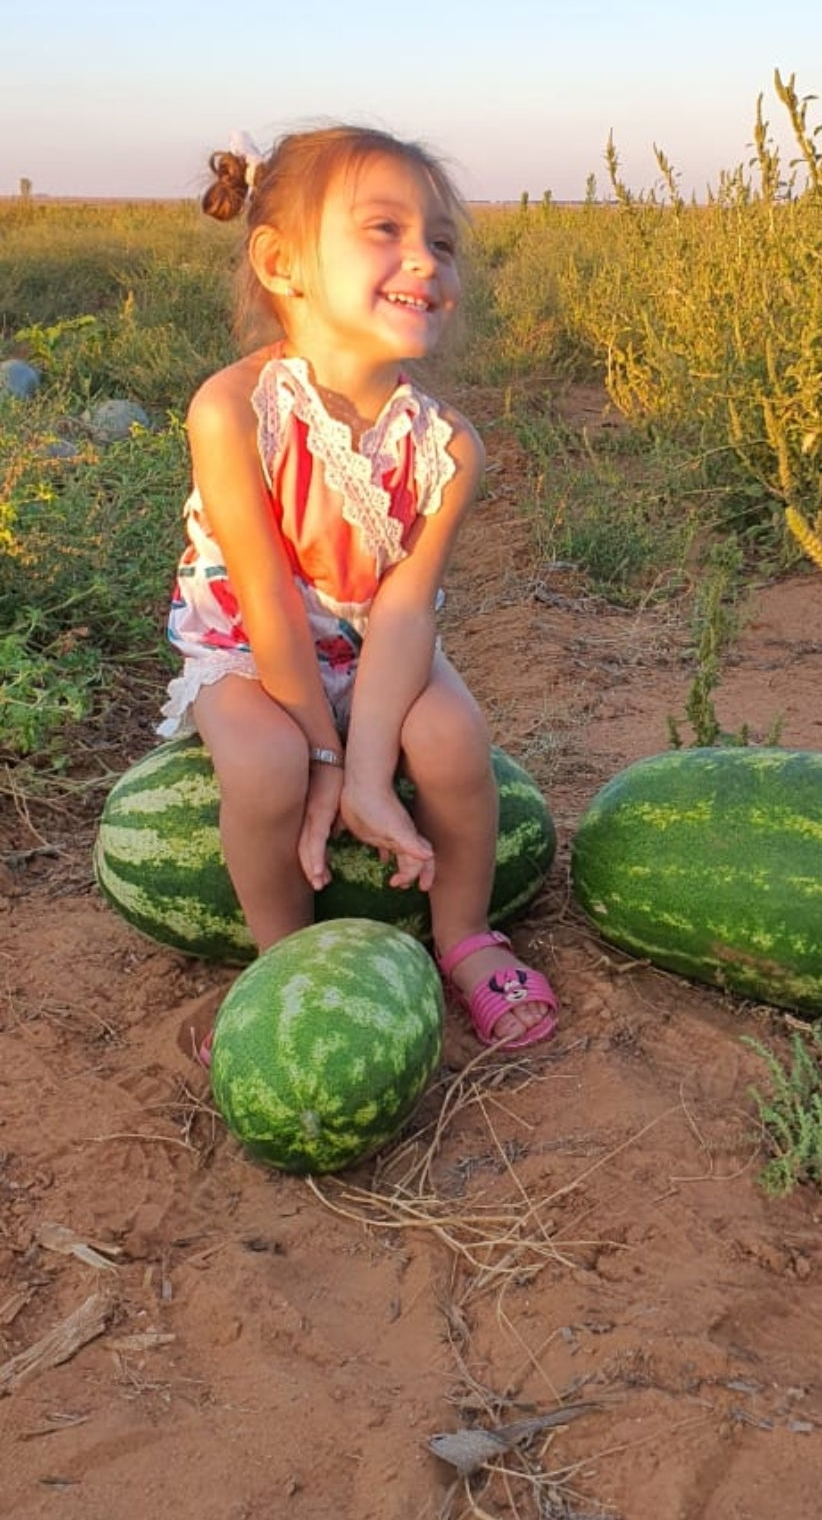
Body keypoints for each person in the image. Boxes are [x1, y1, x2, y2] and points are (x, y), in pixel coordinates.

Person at [160, 124, 558, 1056]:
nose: (424, 257)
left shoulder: (451, 449)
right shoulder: (232, 411)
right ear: (281, 262)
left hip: (376, 643)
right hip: (253, 652)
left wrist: (373, 768)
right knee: (266, 767)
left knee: (455, 740)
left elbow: (407, 610)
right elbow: (265, 605)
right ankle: (285, 961)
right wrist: (326, 766)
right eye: (385, 228)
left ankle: (463, 934)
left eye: (442, 242)